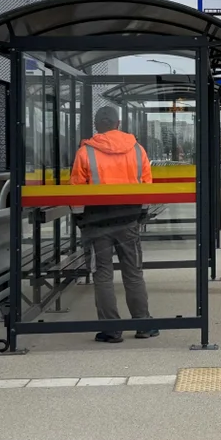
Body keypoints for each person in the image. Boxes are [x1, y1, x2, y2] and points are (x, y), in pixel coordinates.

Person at [70, 106, 158, 344]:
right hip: (128, 220)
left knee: (103, 275)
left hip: (96, 223)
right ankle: (143, 324)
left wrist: (79, 219)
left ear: (97, 126)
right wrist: (141, 213)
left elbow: (76, 190)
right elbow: (146, 184)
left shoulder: (85, 152)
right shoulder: (137, 150)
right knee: (133, 272)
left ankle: (111, 329)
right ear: (118, 124)